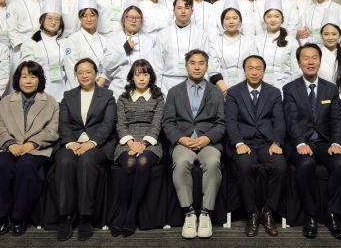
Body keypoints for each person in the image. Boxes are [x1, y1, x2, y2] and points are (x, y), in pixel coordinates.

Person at [0, 61, 59, 236]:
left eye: (33, 76)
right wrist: (10, 144)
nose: (28, 80)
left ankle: (19, 216)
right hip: (8, 147)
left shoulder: (50, 102)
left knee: (26, 167)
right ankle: (1, 215)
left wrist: (30, 144)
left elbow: (52, 130)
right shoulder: (5, 101)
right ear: (18, 79)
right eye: (24, 76)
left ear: (40, 79)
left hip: (36, 148)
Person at [283, 43, 341, 239]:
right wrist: (300, 143)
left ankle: (333, 214)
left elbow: (336, 119)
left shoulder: (331, 88)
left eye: (314, 58)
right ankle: (310, 215)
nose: (310, 62)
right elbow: (291, 120)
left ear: (320, 61)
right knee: (306, 165)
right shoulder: (290, 88)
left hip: (324, 142)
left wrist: (337, 143)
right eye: (305, 58)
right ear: (299, 63)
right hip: (300, 142)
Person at [162, 49, 225, 239]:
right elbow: (168, 122)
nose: (197, 67)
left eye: (201, 63)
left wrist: (208, 138)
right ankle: (189, 213)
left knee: (213, 162)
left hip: (208, 142)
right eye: (193, 63)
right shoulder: (174, 92)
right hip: (184, 141)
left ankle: (205, 213)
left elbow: (221, 123)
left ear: (207, 66)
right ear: (186, 66)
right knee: (181, 163)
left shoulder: (216, 91)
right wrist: (181, 139)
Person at [54, 58, 117, 241]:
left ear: (95, 73)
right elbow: (63, 123)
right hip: (72, 142)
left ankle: (85, 217)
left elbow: (108, 124)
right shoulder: (68, 95)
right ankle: (65, 216)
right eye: (80, 72)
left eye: (88, 72)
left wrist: (92, 142)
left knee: (86, 162)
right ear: (75, 75)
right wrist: (70, 143)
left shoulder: (107, 95)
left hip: (98, 144)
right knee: (64, 161)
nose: (84, 75)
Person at [224, 55, 286, 237]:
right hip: (244, 142)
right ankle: (251, 212)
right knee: (244, 166)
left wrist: (276, 142)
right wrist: (238, 143)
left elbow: (279, 121)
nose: (254, 72)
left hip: (267, 143)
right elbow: (230, 121)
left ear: (264, 71)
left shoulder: (274, 92)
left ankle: (268, 211)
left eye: (258, 68)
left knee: (280, 166)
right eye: (250, 68)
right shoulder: (234, 92)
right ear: (244, 71)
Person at [110, 59, 165, 237]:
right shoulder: (123, 98)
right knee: (130, 162)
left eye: (145, 74)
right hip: (127, 141)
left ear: (151, 77)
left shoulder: (158, 97)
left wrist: (143, 144)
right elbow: (120, 124)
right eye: (138, 74)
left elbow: (156, 124)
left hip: (151, 142)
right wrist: (131, 142)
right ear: (132, 77)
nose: (141, 78)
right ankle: (122, 211)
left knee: (142, 161)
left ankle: (131, 212)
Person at [62, 0, 124, 91]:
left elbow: (111, 66)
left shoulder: (105, 40)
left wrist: (100, 83)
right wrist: (84, 91)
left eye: (92, 15)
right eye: (85, 16)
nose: (89, 19)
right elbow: (71, 70)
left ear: (97, 16)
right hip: (79, 90)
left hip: (102, 89)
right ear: (80, 18)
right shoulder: (73, 40)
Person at [156, 0, 210, 94]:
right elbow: (157, 64)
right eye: (179, 8)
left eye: (187, 8)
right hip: (167, 84)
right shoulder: (163, 34)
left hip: (194, 83)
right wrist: (158, 88)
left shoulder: (201, 34)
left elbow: (206, 62)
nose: (183, 11)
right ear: (174, 11)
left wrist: (203, 87)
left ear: (192, 11)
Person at [107, 5, 161, 99]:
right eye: (130, 17)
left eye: (137, 18)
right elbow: (107, 65)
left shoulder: (149, 41)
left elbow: (155, 67)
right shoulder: (114, 39)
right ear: (123, 19)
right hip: (119, 88)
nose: (134, 20)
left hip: (144, 91)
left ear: (141, 21)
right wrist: (125, 49)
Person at [20, 0, 67, 101]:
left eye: (57, 19)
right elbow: (26, 70)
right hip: (38, 90)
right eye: (49, 18)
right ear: (42, 20)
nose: (53, 22)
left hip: (61, 88)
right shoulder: (31, 43)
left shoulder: (65, 42)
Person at [208, 0, 257, 94]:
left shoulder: (249, 42)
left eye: (235, 18)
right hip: (221, 89)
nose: (231, 21)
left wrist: (241, 89)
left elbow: (253, 65)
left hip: (245, 87)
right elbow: (213, 69)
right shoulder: (215, 43)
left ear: (240, 22)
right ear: (222, 22)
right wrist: (225, 90)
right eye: (227, 18)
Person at [254, 0, 301, 89]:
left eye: (276, 16)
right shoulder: (256, 40)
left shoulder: (291, 41)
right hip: (261, 88)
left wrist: (293, 91)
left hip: (285, 88)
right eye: (269, 16)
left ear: (282, 19)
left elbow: (296, 70)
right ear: (264, 19)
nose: (273, 20)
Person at [7, 0, 42, 68]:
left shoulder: (44, 4)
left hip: (42, 44)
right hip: (21, 46)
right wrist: (23, 45)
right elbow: (11, 29)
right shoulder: (14, 5)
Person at [318, 10, 341, 95]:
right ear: (321, 37)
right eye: (326, 34)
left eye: (334, 34)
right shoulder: (316, 56)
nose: (330, 37)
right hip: (320, 97)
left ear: (340, 37)